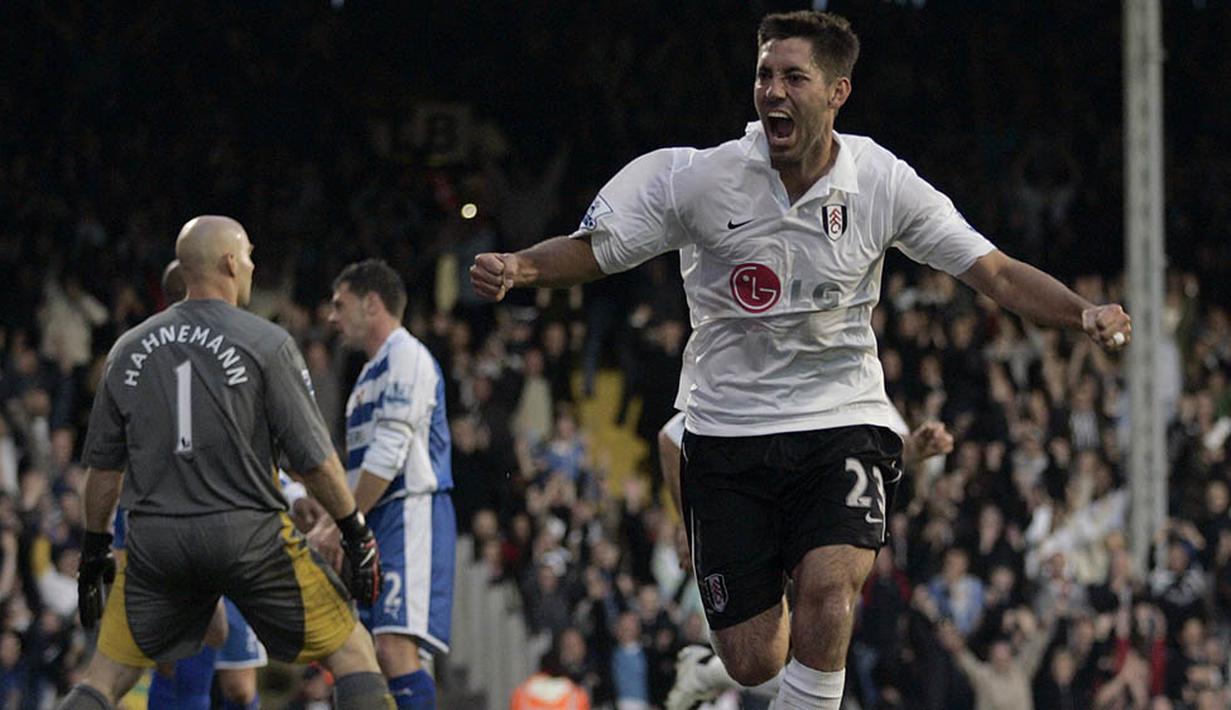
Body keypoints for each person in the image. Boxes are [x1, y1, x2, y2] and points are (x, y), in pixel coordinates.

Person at [470, 11, 1132, 709]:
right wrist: (521, 266)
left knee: (828, 595)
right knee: (756, 658)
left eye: (793, 77)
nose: (773, 91)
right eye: (763, 75)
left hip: (842, 416)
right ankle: (719, 669)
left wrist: (1078, 313)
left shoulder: (879, 181)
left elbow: (992, 272)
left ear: (837, 91)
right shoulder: (702, 179)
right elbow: (597, 249)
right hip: (727, 431)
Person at [62, 216, 394, 710]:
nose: (255, 266)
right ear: (229, 263)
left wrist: (94, 553)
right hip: (248, 539)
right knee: (352, 651)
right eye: (251, 256)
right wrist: (356, 532)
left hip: (157, 544)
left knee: (105, 675)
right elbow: (317, 460)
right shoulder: (266, 342)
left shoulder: (127, 350)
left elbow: (104, 474)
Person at [328, 258, 457, 709]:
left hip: (410, 510)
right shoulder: (367, 375)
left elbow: (388, 456)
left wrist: (339, 523)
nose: (331, 316)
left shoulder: (407, 357)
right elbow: (357, 467)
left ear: (372, 303)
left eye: (340, 305)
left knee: (394, 648)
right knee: (367, 652)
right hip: (376, 518)